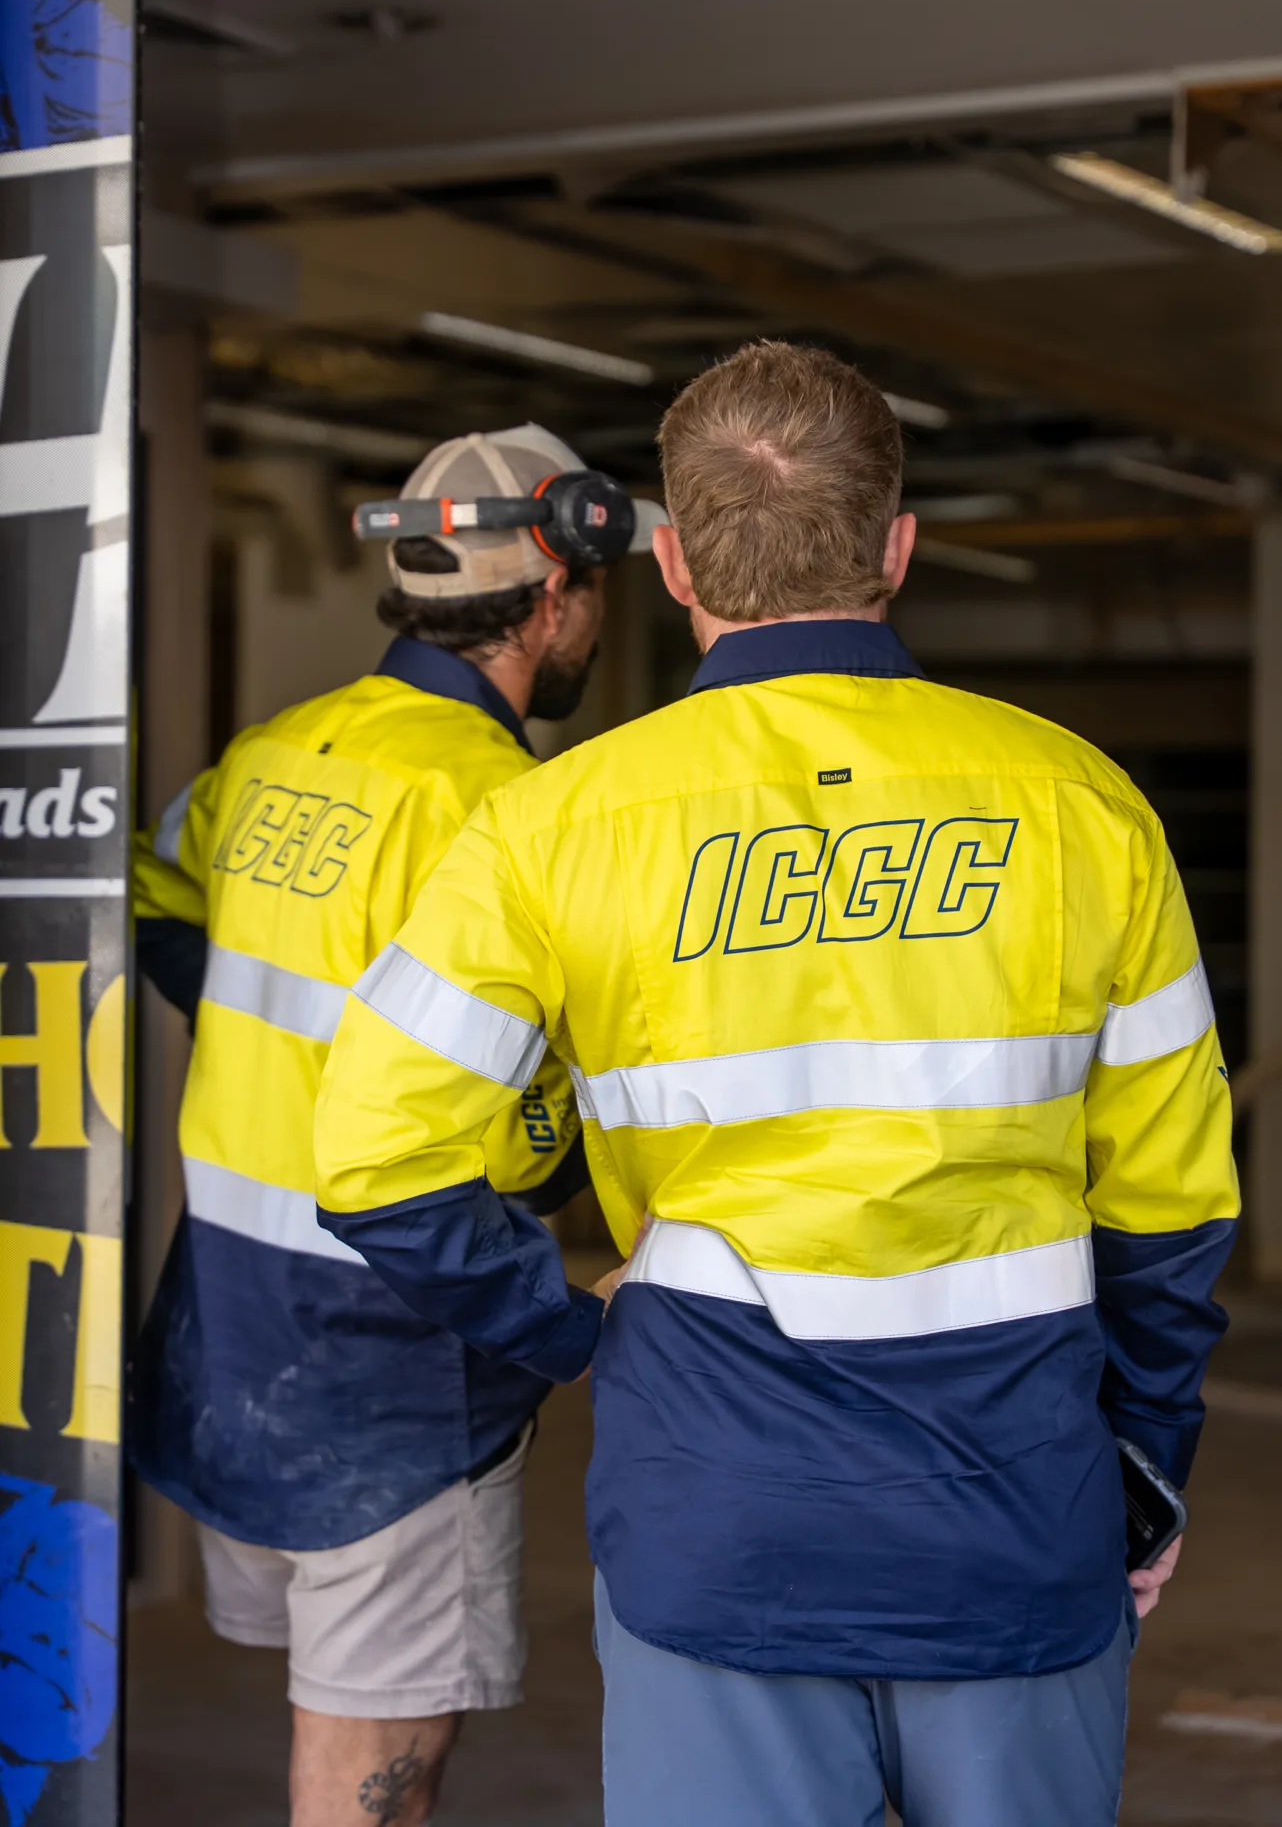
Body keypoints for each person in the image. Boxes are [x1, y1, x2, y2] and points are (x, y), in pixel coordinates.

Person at [312, 344, 1239, 1827]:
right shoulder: (1083, 804)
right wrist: (1147, 1459)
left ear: (677, 565)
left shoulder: (551, 827)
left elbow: (373, 1159)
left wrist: (566, 1328)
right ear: (897, 548)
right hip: (1015, 1505)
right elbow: (1170, 1203)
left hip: (714, 1507)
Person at [130, 424, 636, 1827]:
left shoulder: (276, 750)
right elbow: (518, 1141)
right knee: (367, 1783)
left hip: (232, 1331)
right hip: (393, 1370)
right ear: (557, 592)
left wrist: (253, 1033)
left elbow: (160, 900)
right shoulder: (501, 810)